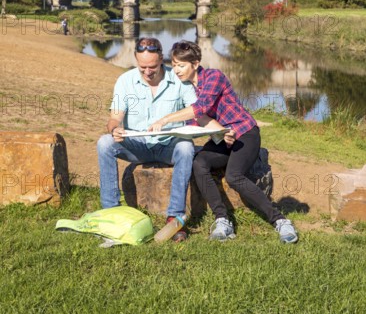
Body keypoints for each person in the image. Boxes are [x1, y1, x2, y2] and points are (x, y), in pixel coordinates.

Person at [149, 40, 298, 244]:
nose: (176, 70)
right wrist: (220, 132)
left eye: (181, 65)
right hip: (223, 137)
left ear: (195, 63)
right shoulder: (188, 88)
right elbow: (199, 120)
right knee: (199, 163)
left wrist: (165, 119)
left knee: (233, 176)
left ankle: (280, 221)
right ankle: (222, 220)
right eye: (174, 64)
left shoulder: (213, 77)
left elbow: (200, 109)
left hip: (245, 133)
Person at [97, 37, 197, 242]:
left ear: (162, 59)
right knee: (105, 143)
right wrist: (115, 128)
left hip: (169, 144)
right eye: (142, 67)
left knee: (186, 147)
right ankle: (110, 213)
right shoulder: (125, 81)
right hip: (138, 145)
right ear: (135, 59)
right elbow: (114, 117)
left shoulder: (178, 77)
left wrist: (170, 120)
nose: (147, 71)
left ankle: (175, 217)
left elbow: (196, 109)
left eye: (152, 66)